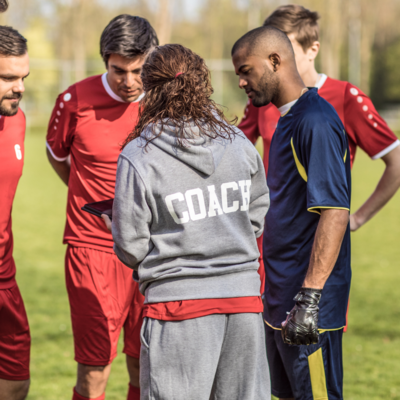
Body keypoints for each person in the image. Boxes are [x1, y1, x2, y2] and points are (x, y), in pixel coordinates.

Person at [108, 43, 270, 400]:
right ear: (202, 81)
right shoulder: (239, 141)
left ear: (149, 90)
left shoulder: (138, 154)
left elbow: (130, 246)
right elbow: (257, 210)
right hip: (243, 302)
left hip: (177, 309)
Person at [232, 26, 351, 400]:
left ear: (274, 61)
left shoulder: (314, 121)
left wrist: (309, 299)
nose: (240, 82)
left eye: (245, 70)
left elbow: (334, 211)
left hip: (306, 308)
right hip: (280, 298)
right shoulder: (286, 119)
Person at [46, 15, 158, 400]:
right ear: (104, 61)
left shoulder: (165, 104)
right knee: (95, 366)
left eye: (138, 70)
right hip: (91, 249)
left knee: (146, 361)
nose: (129, 81)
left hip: (154, 250)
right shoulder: (73, 101)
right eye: (118, 70)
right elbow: (57, 157)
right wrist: (92, 202)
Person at [239, 4, 400, 232]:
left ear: (313, 49)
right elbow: (232, 154)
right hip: (266, 237)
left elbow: (396, 161)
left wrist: (357, 219)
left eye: (286, 45)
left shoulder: (346, 97)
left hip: (314, 239)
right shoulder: (261, 97)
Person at [0, 26, 30, 400]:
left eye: (23, 77)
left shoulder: (17, 121)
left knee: (17, 384)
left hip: (6, 279)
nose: (20, 87)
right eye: (7, 77)